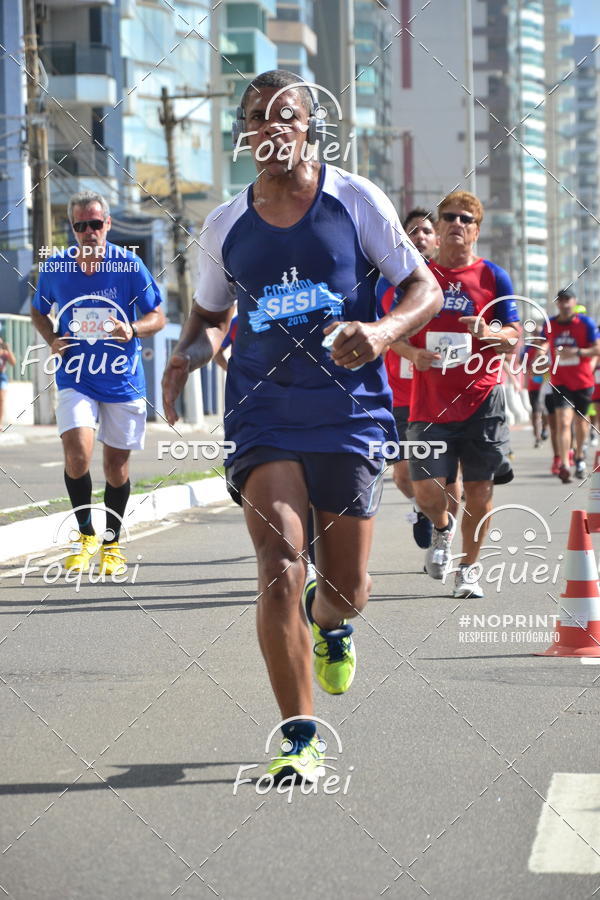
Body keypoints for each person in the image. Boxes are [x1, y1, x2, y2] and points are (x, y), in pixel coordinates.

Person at [162, 70, 442, 780]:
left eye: (285, 115)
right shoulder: (226, 223)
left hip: (347, 411)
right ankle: (299, 738)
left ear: (311, 126)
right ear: (244, 133)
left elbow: (423, 287)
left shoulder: (355, 199)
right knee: (279, 564)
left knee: (345, 584)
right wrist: (185, 359)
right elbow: (208, 320)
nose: (271, 126)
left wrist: (381, 333)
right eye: (257, 116)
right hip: (262, 410)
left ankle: (333, 617)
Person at [31, 190, 165, 574]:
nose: (88, 231)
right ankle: (86, 533)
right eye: (80, 225)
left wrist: (133, 328)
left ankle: (112, 543)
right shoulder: (55, 269)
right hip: (76, 375)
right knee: (77, 454)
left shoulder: (130, 266)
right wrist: (51, 338)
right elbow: (38, 311)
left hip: (122, 379)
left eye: (95, 223)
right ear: (72, 229)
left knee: (116, 467)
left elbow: (157, 315)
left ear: (107, 224)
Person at [400, 191, 520, 599]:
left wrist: (490, 333)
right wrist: (413, 352)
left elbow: (515, 333)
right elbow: (393, 330)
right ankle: (441, 527)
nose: (456, 224)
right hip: (430, 406)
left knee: (481, 491)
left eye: (465, 219)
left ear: (476, 230)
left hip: (483, 401)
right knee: (427, 491)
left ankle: (468, 569)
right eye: (449, 217)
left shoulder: (493, 278)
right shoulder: (420, 276)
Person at [376, 208, 461, 549]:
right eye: (413, 231)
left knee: (449, 479)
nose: (420, 236)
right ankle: (424, 507)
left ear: (436, 239)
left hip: (442, 395)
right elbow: (380, 331)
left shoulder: (451, 280)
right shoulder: (387, 282)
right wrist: (410, 354)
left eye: (426, 231)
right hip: (399, 395)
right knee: (403, 472)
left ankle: (446, 538)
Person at [540, 289, 600, 482]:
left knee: (581, 422)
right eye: (561, 300)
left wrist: (577, 352)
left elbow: (597, 348)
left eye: (568, 300)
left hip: (583, 381)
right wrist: (539, 355)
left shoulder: (586, 324)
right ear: (557, 303)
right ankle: (565, 463)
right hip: (560, 381)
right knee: (563, 422)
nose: (564, 304)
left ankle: (580, 456)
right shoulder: (550, 324)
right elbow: (543, 343)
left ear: (574, 302)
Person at [0, 328, 16, 426]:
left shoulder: (5, 353)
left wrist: (8, 349)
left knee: (1, 400)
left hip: (2, 377)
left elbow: (13, 362)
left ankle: (0, 423)